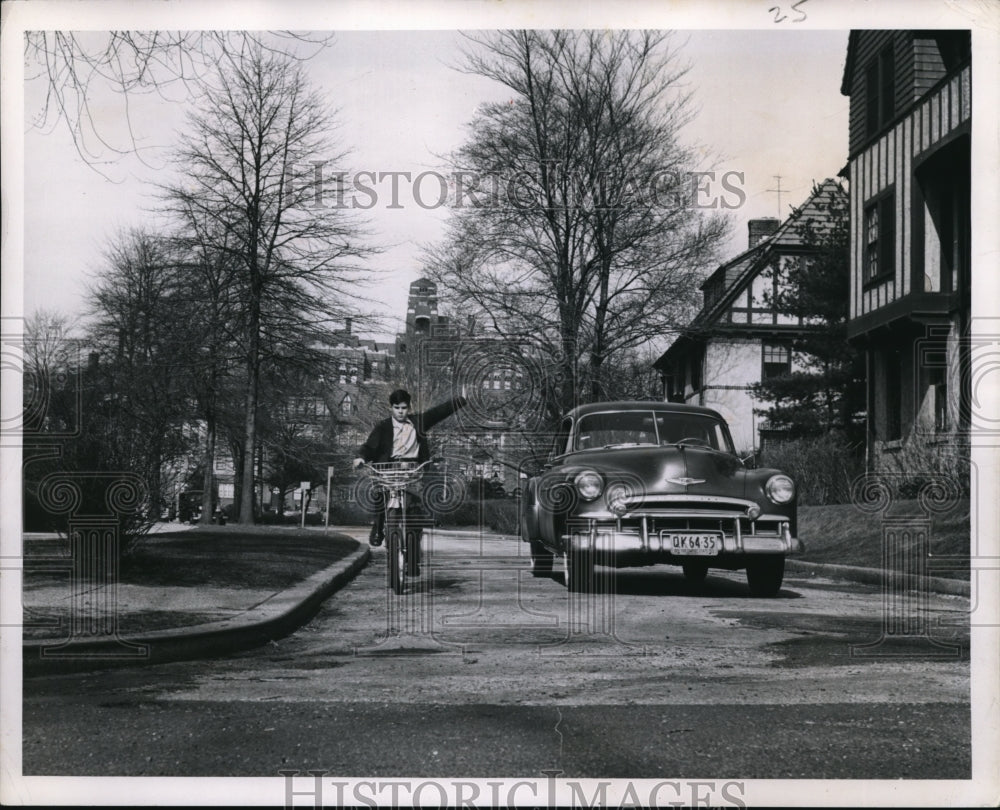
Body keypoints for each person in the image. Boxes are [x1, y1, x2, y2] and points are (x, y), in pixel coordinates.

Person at [354, 387, 467, 546]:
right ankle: (378, 527)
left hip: (412, 470)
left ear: (409, 407)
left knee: (415, 506)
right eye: (397, 408)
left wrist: (461, 400)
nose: (400, 411)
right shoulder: (383, 426)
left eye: (404, 408)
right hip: (389, 469)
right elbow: (369, 446)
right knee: (380, 494)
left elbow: (438, 412)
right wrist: (360, 458)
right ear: (391, 408)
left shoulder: (418, 422)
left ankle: (414, 540)